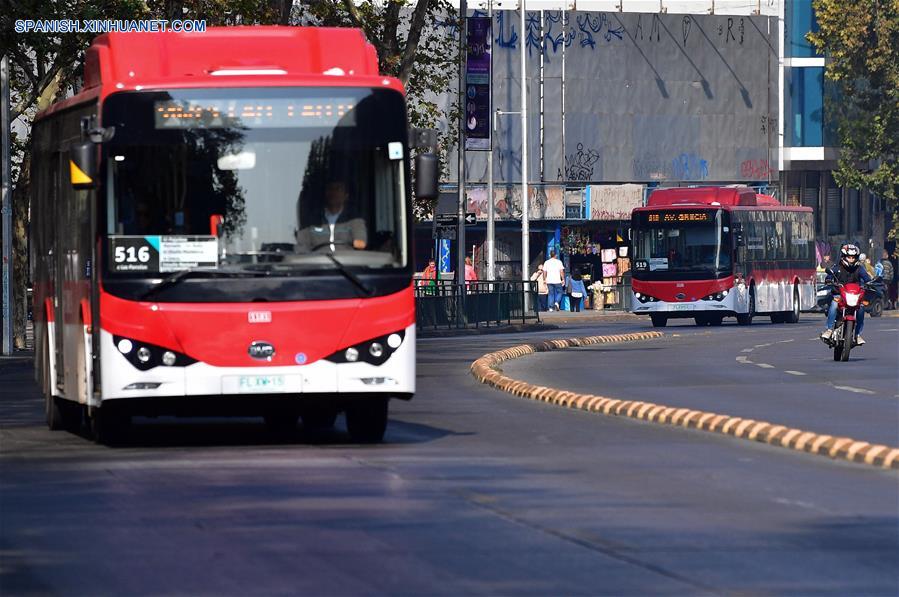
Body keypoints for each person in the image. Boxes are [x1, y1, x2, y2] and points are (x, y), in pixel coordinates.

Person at [296, 180, 367, 252]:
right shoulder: (312, 220)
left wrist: (356, 242)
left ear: (346, 196)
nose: (333, 192)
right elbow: (302, 248)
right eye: (330, 188)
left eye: (338, 189)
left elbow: (361, 244)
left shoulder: (355, 220)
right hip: (318, 262)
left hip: (346, 262)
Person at [821, 243, 870, 345]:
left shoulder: (859, 268)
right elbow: (830, 275)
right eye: (849, 257)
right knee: (834, 304)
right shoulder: (837, 267)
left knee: (861, 309)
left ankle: (857, 335)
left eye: (853, 257)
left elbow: (867, 278)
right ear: (844, 257)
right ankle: (829, 330)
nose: (851, 259)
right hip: (839, 295)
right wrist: (829, 279)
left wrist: (871, 283)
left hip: (855, 297)